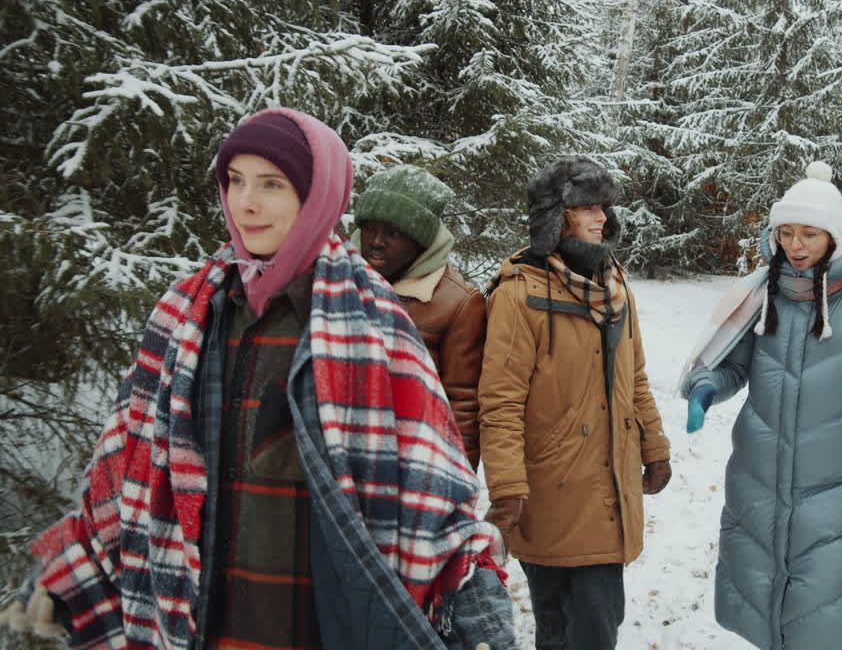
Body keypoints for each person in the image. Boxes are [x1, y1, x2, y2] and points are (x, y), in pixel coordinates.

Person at [0, 108, 514, 650]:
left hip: (314, 617)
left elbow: (435, 490)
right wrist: (65, 575)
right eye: (236, 181)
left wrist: (476, 607)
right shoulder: (186, 314)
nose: (246, 203)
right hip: (200, 614)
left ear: (318, 194)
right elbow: (126, 463)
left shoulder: (375, 323)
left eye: (271, 184)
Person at [678, 161, 842, 650]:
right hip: (760, 479)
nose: (795, 244)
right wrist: (707, 386)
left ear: (834, 236)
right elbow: (734, 364)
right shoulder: (763, 291)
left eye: (809, 233)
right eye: (785, 232)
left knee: (823, 617)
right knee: (765, 610)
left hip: (839, 487)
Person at [478, 156, 672, 650]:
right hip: (550, 488)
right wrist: (507, 488)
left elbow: (636, 376)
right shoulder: (519, 292)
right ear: (554, 216)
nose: (601, 217)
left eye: (603, 206)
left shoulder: (615, 281)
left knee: (597, 622)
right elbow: (500, 403)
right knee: (563, 626)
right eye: (587, 207)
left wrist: (655, 445)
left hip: (609, 485)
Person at [352, 165, 486, 469]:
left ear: (421, 239)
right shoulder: (336, 281)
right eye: (370, 228)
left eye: (394, 232)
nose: (376, 241)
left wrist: (456, 482)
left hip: (412, 464)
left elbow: (464, 405)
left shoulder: (458, 303)